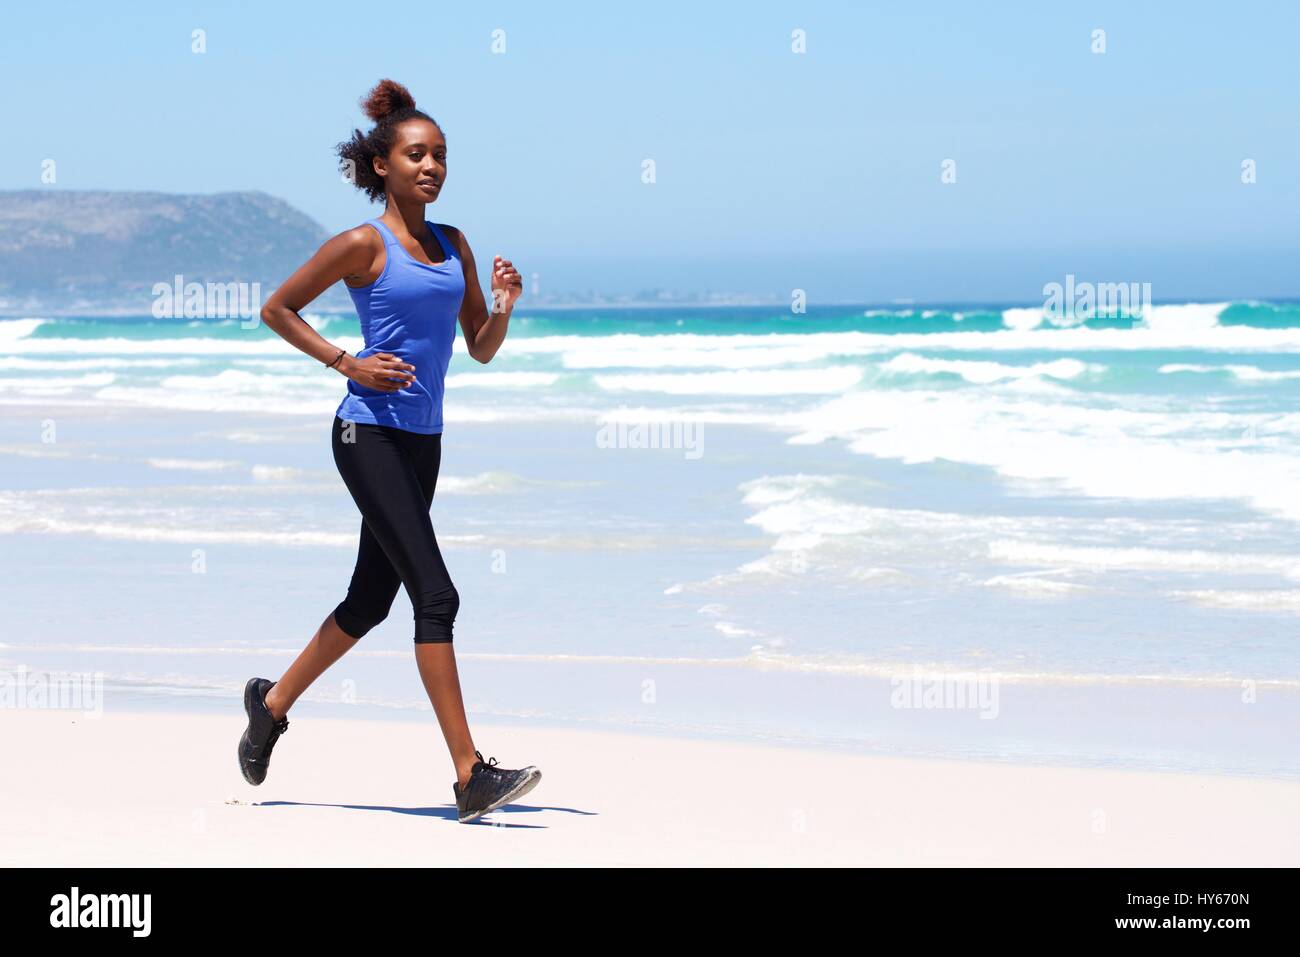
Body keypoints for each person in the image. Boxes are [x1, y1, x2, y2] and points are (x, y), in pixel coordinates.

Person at [237, 78, 539, 824]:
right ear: (382, 165)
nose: (430, 166)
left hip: (422, 443)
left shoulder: (453, 245)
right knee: (436, 596)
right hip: (364, 431)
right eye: (415, 155)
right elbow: (277, 308)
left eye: (439, 155)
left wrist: (502, 308)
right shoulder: (362, 246)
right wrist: (347, 361)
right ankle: (470, 775)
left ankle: (270, 706)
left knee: (370, 601)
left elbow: (480, 348)